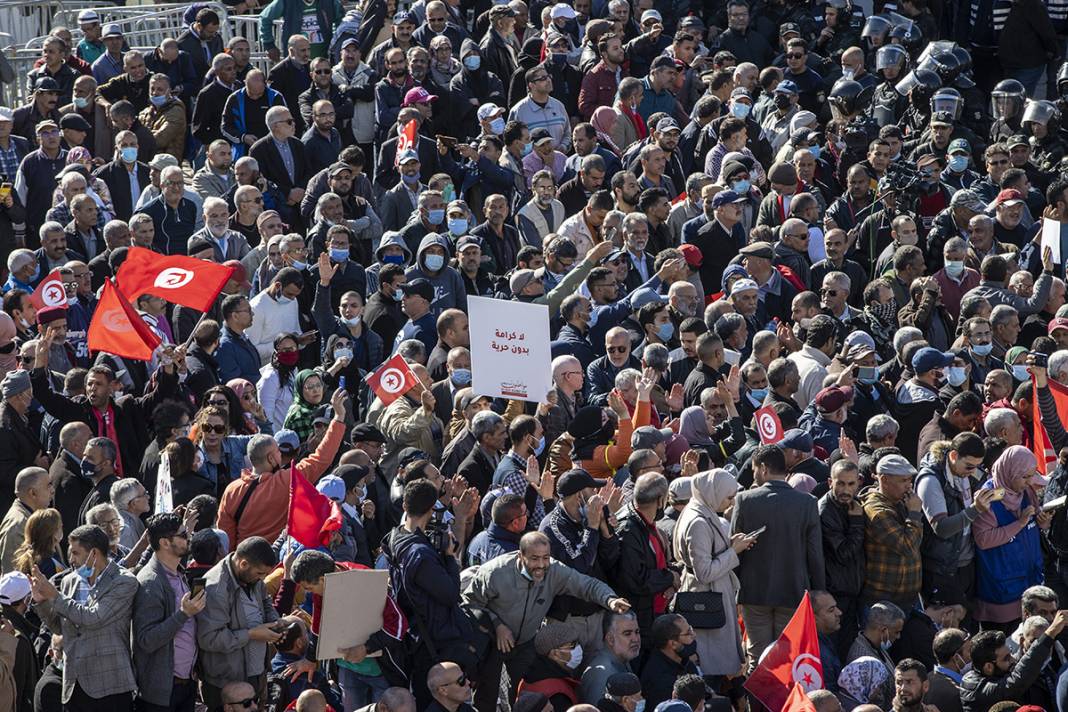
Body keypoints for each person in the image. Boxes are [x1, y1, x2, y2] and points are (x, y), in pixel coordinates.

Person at [29, 523, 139, 711]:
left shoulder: (123, 581)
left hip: (109, 685)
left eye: (75, 553)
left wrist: (54, 596)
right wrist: (42, 601)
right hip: (73, 684)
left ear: (94, 554)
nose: (70, 559)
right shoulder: (69, 581)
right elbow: (59, 627)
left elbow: (93, 618)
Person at [732, 444, 825, 666]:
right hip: (793, 592)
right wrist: (818, 592)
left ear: (763, 469)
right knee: (789, 659)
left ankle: (756, 701)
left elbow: (735, 547)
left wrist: (734, 590)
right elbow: (815, 554)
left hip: (754, 594)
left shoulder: (744, 500)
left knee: (758, 658)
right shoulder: (807, 503)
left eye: (754, 469)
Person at [197, 536, 282, 710]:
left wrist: (275, 621)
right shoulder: (216, 589)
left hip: (256, 676)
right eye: (260, 573)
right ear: (243, 564)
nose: (263, 578)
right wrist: (251, 634)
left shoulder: (253, 579)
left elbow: (265, 602)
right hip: (228, 685)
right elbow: (209, 639)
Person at [132, 511, 205, 712]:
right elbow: (146, 639)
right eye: (183, 535)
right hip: (162, 692)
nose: (188, 538)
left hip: (185, 683)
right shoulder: (151, 583)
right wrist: (183, 613)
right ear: (165, 543)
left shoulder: (178, 572)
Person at [959, 611, 1068, 712]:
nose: (1013, 659)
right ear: (988, 667)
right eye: (1006, 658)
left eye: (1010, 653)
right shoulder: (974, 688)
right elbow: (1015, 682)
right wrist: (1050, 633)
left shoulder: (997, 673)